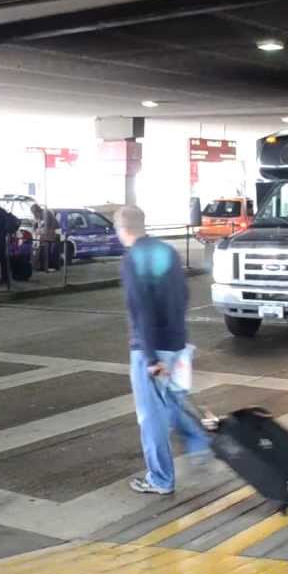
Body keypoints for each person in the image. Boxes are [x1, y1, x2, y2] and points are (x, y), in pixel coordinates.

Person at [115, 205, 210, 495]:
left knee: (151, 416)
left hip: (151, 347)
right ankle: (199, 442)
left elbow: (140, 309)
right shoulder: (167, 251)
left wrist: (151, 357)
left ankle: (160, 478)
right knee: (170, 400)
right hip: (176, 342)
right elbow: (183, 295)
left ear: (123, 229)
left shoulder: (133, 259)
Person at [31, 203, 60, 273]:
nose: (35, 215)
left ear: (37, 211)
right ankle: (45, 266)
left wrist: (39, 230)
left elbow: (47, 226)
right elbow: (36, 225)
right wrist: (35, 228)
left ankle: (51, 266)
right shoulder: (39, 215)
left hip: (53, 234)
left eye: (34, 213)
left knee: (51, 251)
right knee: (46, 250)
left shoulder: (45, 213)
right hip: (48, 235)